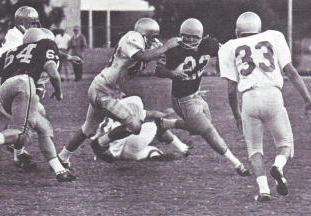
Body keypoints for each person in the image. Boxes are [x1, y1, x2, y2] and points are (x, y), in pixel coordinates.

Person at [57, 17, 180, 166]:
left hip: (107, 90)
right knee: (134, 125)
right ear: (144, 33)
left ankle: (62, 157)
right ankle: (99, 144)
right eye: (153, 36)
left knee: (87, 129)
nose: (155, 41)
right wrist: (166, 46)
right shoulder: (133, 37)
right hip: (103, 91)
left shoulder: (144, 43)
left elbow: (157, 61)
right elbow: (143, 56)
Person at [218, 12, 311, 201]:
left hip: (249, 98)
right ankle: (278, 166)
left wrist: (236, 114)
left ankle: (263, 191)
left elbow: (230, 89)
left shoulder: (229, 47)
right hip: (273, 95)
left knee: (254, 148)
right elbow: (291, 72)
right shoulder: (274, 36)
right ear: (258, 28)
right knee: (285, 145)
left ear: (238, 31)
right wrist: (308, 98)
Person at [0, 28, 76, 182]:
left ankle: (60, 171)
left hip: (3, 91)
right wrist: (58, 92)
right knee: (22, 134)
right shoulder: (45, 45)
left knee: (43, 127)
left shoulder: (13, 51)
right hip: (24, 84)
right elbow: (53, 72)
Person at [155, 18, 251, 177]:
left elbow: (227, 51)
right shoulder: (173, 49)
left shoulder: (209, 44)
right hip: (181, 99)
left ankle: (165, 124)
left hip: (196, 95)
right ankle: (237, 164)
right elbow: (158, 71)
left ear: (202, 37)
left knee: (199, 127)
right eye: (186, 36)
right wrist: (172, 73)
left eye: (194, 37)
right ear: (180, 35)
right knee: (208, 130)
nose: (190, 40)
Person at [60, 96, 189, 164]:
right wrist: (171, 111)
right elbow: (156, 115)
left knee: (148, 151)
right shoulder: (128, 106)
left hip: (116, 154)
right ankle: (182, 147)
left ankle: (154, 154)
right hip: (129, 141)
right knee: (157, 124)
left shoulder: (104, 111)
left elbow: (94, 134)